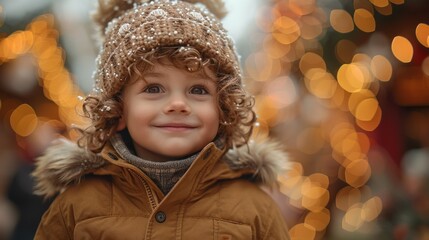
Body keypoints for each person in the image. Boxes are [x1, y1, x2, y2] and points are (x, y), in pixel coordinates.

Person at [32, 0, 290, 239]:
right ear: (118, 110)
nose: (178, 104)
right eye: (153, 88)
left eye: (198, 90)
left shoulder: (255, 209)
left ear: (223, 109)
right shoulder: (76, 205)